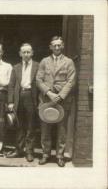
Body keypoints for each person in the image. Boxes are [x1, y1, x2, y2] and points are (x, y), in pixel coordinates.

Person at [36, 36, 76, 167]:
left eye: (59, 45)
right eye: (54, 45)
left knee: (62, 129)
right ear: (50, 47)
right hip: (47, 99)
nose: (57, 47)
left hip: (62, 101)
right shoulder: (44, 61)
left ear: (62, 46)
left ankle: (60, 155)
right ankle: (45, 154)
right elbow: (39, 80)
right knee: (45, 128)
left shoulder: (69, 62)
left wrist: (60, 95)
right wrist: (48, 92)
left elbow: (71, 81)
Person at [6, 43, 39, 162]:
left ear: (32, 53)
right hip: (19, 97)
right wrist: (10, 101)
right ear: (20, 54)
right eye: (24, 52)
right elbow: (11, 86)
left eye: (28, 52)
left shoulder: (38, 66)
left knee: (31, 125)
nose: (26, 54)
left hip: (31, 96)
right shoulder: (16, 68)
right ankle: (19, 150)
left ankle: (29, 151)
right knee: (19, 125)